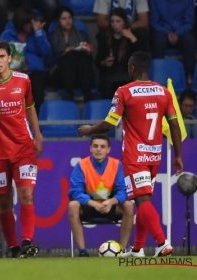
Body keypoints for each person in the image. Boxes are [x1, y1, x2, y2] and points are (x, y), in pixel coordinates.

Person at [78, 51, 184, 257]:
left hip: (135, 156)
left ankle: (162, 242)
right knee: (141, 200)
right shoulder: (164, 92)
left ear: (132, 68)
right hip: (154, 155)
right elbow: (174, 124)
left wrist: (90, 129)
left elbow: (110, 123)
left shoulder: (124, 91)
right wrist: (178, 155)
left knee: (142, 201)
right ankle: (137, 248)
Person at [0, 40, 43, 258]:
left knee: (26, 194)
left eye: (2, 57)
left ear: (9, 58)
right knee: (3, 201)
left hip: (23, 147)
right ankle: (14, 248)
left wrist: (38, 135)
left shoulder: (23, 80)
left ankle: (26, 242)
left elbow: (30, 107)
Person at [68, 134, 133, 257]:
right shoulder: (81, 165)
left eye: (102, 147)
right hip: (89, 207)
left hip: (110, 206)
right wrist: (93, 204)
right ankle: (83, 251)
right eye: (95, 146)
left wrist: (110, 202)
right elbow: (75, 192)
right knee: (73, 205)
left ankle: (122, 250)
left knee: (129, 205)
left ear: (108, 149)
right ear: (90, 148)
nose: (98, 149)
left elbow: (123, 191)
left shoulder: (117, 165)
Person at [0, 5, 51, 116]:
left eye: (32, 21)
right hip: (12, 73)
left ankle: (35, 122)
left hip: (34, 73)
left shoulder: (37, 33)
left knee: (37, 88)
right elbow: (0, 56)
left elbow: (45, 51)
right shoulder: (7, 35)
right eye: (28, 22)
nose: (31, 25)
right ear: (20, 22)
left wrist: (38, 33)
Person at [95, 7, 147, 100]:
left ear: (124, 22)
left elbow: (142, 57)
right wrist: (104, 62)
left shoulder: (135, 35)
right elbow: (97, 61)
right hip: (109, 77)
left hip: (127, 76)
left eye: (118, 21)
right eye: (112, 21)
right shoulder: (104, 37)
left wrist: (132, 37)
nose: (115, 24)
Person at [48, 5, 94, 102]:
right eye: (63, 18)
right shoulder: (52, 37)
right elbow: (48, 62)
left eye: (69, 18)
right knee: (69, 56)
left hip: (80, 73)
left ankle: (86, 94)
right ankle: (70, 93)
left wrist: (85, 49)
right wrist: (63, 53)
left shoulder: (81, 35)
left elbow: (90, 54)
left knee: (83, 57)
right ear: (57, 21)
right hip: (60, 74)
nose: (67, 21)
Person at [149, 0, 196, 86]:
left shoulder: (188, 1)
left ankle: (188, 76)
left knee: (190, 41)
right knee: (158, 41)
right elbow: (154, 22)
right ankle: (157, 76)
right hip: (162, 31)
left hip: (181, 31)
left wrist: (177, 33)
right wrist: (168, 33)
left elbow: (189, 22)